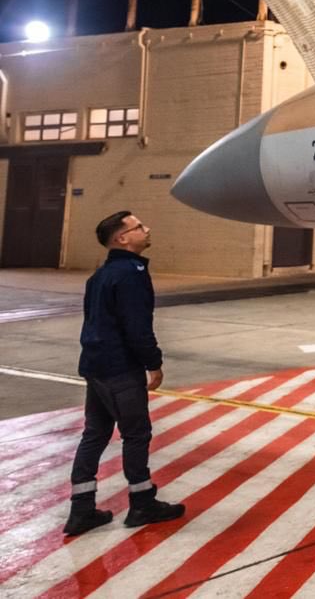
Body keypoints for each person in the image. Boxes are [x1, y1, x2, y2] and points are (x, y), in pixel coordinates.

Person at [66, 211, 185, 536]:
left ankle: (81, 509)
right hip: (120, 368)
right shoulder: (131, 274)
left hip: (95, 365)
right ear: (122, 238)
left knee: (95, 434)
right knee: (136, 433)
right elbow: (137, 327)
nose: (147, 229)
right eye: (139, 227)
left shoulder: (101, 275)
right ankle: (142, 503)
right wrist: (153, 363)